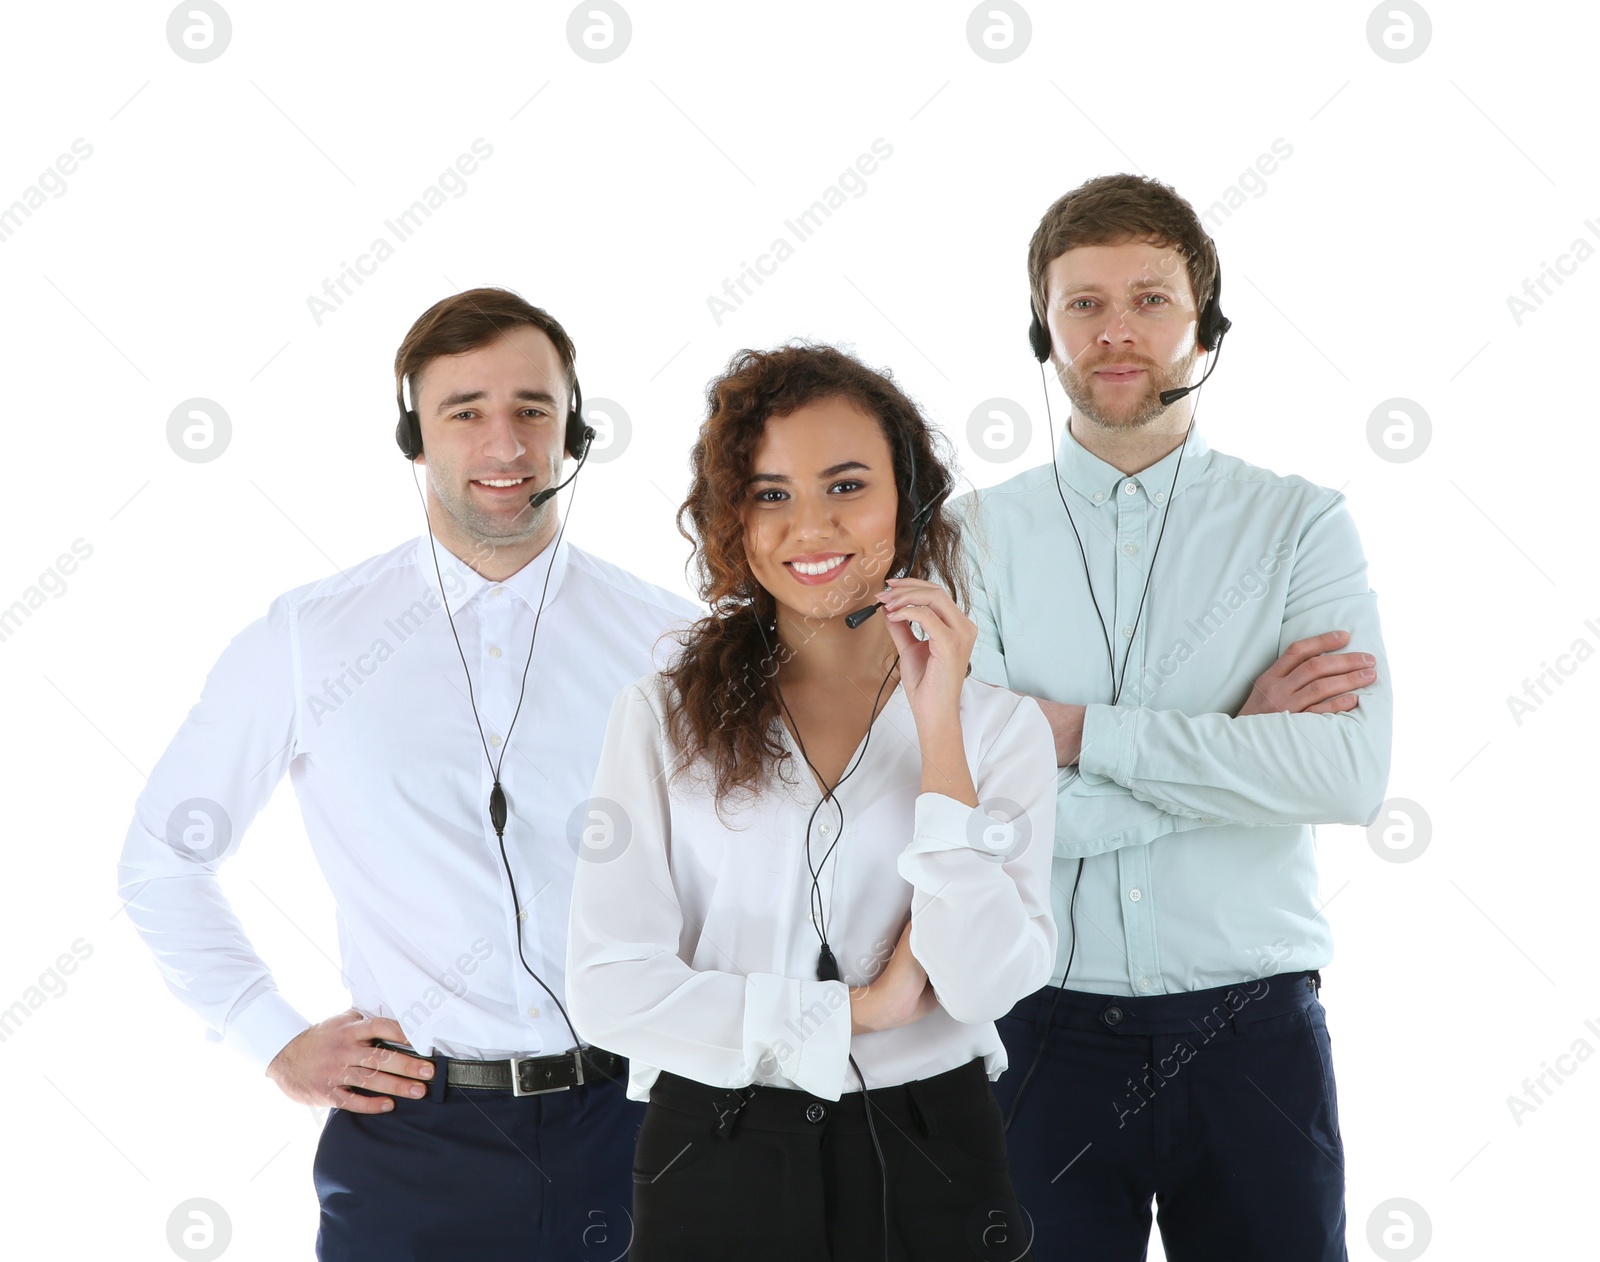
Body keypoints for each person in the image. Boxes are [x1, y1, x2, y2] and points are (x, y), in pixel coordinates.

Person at [116, 287, 699, 1260]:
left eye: (532, 409)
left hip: (642, 1123)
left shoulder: (670, 641)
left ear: (576, 427)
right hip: (413, 1145)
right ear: (414, 438)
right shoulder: (312, 637)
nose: (504, 445)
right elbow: (161, 859)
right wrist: (270, 1033)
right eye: (465, 412)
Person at [962, 174, 1393, 1261]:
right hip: (1037, 1029)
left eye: (1150, 299)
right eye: (1083, 303)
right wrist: (1241, 738)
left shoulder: (1300, 525)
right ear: (1039, 328)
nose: (1116, 331)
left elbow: (1344, 776)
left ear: (1206, 321)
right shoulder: (970, 537)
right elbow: (985, 817)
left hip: (1251, 1030)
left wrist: (1076, 732)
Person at [565, 344, 1058, 1262]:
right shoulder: (659, 719)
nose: (811, 528)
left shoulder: (999, 729)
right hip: (715, 1144)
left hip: (933, 1146)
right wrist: (852, 1014)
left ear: (907, 503)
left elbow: (986, 981)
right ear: (732, 518)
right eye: (771, 493)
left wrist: (939, 727)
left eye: (846, 486)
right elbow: (607, 988)